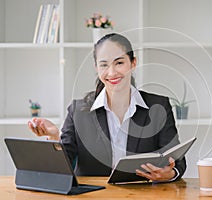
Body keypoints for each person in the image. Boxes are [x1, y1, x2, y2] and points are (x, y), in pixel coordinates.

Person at [28, 33, 186, 182]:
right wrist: (55, 137)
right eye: (104, 65)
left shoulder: (158, 106)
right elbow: (63, 167)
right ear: (96, 67)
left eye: (119, 63)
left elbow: (177, 160)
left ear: (133, 63)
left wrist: (170, 173)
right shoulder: (77, 111)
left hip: (142, 194)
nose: (112, 72)